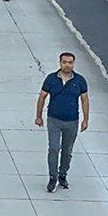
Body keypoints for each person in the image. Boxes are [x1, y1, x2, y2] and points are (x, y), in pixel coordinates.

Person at [34, 52, 90, 193]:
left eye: (70, 62)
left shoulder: (80, 81)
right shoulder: (51, 79)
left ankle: (62, 174)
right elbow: (42, 97)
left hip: (72, 121)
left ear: (73, 64)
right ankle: (53, 177)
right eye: (64, 62)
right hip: (54, 120)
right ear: (60, 63)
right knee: (53, 148)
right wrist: (38, 116)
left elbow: (84, 99)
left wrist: (86, 119)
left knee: (67, 150)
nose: (67, 65)